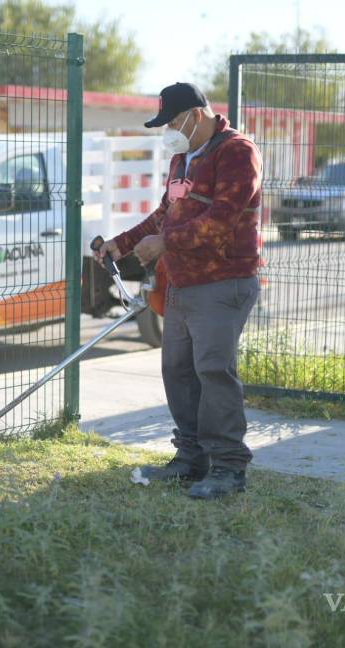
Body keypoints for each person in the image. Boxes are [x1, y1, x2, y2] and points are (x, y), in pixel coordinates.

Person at [94, 82, 263, 499]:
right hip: (183, 284)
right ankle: (191, 460)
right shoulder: (181, 158)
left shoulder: (237, 153)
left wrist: (167, 244)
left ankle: (228, 468)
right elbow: (164, 215)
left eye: (173, 121)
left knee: (213, 372)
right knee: (178, 371)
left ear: (197, 114)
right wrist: (123, 243)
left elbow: (223, 219)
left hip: (223, 283)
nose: (169, 129)